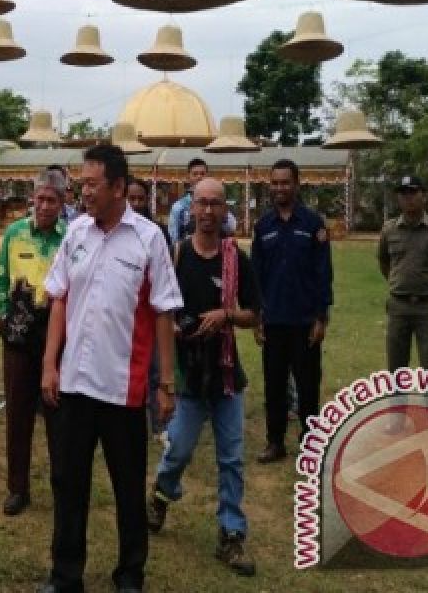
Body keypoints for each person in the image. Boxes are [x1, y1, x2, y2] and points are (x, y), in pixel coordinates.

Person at [38, 145, 182, 593]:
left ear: (119, 187)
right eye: (81, 183)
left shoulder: (148, 238)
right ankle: (66, 575)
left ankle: (130, 574)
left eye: (92, 184)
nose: (83, 192)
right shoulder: (76, 232)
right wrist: (49, 364)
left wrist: (166, 385)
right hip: (74, 387)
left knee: (126, 488)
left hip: (123, 389)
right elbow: (59, 298)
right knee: (68, 483)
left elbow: (163, 311)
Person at [148, 177, 260, 577]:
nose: (209, 211)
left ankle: (231, 533)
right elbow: (161, 308)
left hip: (227, 376)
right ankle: (162, 494)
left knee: (231, 458)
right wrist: (176, 327)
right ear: (190, 209)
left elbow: (254, 314)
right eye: (202, 204)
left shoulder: (236, 258)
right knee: (177, 449)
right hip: (189, 375)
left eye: (216, 204)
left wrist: (225, 315)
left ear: (225, 210)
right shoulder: (176, 255)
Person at [250, 159, 333, 464]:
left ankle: (311, 444)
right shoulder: (263, 227)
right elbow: (256, 276)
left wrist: (321, 316)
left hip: (304, 321)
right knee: (274, 385)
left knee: (308, 384)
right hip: (273, 321)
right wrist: (256, 316)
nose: (279, 188)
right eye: (275, 183)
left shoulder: (314, 225)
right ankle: (275, 443)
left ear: (297, 185)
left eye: (285, 182)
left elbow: (324, 273)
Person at [0, 168, 66, 517]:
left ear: (63, 203)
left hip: (56, 333)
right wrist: (1, 316)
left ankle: (61, 483)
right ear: (32, 199)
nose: (44, 206)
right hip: (19, 333)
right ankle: (17, 489)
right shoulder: (14, 233)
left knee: (58, 413)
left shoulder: (71, 238)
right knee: (18, 413)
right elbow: (1, 280)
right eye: (40, 199)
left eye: (52, 200)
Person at [378, 174, 428, 372]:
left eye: (413, 192)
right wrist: (398, 282)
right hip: (398, 307)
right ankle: (399, 404)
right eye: (403, 194)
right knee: (396, 371)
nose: (408, 198)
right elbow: (384, 262)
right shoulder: (389, 230)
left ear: (425, 196)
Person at [128, 177, 167, 443]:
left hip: (150, 315)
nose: (137, 204)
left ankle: (159, 426)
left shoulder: (155, 233)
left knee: (154, 369)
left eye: (142, 199)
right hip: (123, 317)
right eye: (132, 199)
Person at [167, 158, 237, 245]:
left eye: (202, 174)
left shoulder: (217, 201)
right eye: (195, 174)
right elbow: (173, 236)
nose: (199, 177)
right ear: (188, 177)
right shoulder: (179, 207)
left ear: (207, 176)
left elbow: (231, 227)